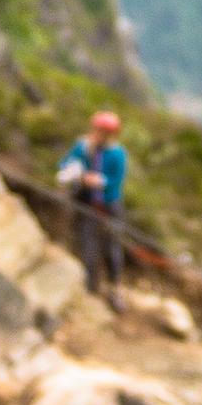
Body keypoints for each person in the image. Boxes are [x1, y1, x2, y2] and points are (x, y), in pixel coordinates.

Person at [58, 109, 128, 308]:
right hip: (86, 202)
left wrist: (100, 181)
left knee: (112, 246)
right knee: (88, 243)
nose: (101, 134)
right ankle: (90, 287)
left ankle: (115, 288)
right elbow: (65, 164)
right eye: (99, 130)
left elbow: (116, 181)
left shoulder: (117, 154)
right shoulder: (83, 147)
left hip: (109, 204)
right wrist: (78, 175)